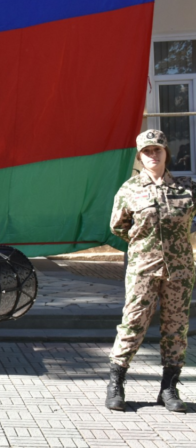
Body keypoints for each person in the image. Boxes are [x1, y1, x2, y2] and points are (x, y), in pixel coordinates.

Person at [107, 129, 194, 413]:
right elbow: (118, 227)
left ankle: (168, 388)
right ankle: (116, 385)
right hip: (143, 268)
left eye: (157, 149)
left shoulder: (186, 188)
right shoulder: (129, 189)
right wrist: (145, 247)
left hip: (179, 270)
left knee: (176, 328)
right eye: (147, 151)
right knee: (133, 323)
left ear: (166, 153)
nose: (152, 155)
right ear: (140, 156)